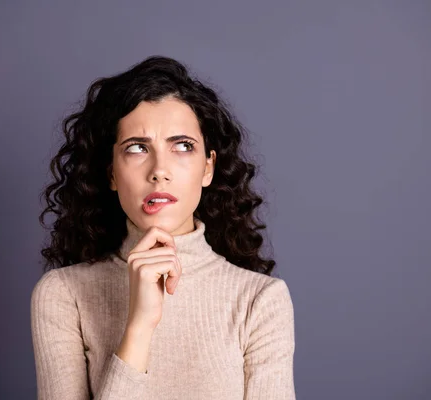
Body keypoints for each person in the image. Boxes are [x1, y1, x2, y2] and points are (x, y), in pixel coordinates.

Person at [31, 55, 296, 400]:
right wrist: (139, 326)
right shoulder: (63, 294)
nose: (159, 170)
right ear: (111, 172)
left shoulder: (259, 301)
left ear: (207, 168)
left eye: (182, 146)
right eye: (137, 148)